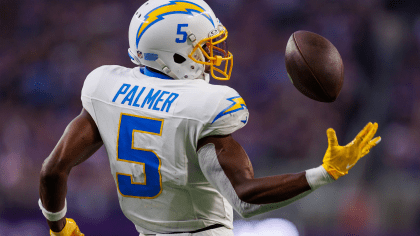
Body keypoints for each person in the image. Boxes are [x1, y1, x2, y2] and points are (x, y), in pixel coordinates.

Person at [38, 0, 382, 235]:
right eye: (204, 48)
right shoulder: (203, 105)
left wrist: (58, 225)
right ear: (173, 53)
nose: (213, 56)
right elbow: (244, 198)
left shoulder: (105, 87)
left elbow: (52, 171)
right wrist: (325, 172)